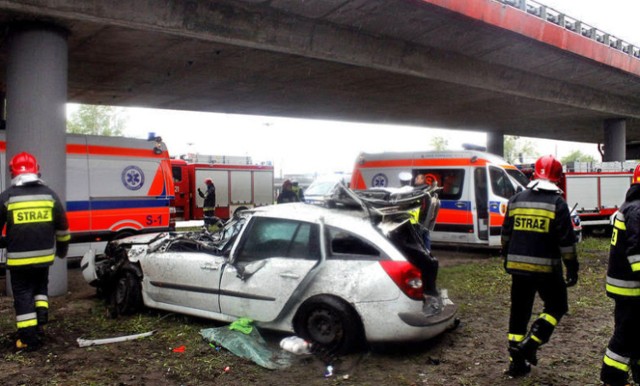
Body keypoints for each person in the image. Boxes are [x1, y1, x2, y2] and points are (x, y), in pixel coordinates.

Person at [501, 155, 578, 377]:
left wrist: (506, 258)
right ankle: (531, 344)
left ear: (534, 174)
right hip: (546, 270)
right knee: (557, 306)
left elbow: (506, 235)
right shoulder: (558, 204)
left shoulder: (516, 200)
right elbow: (567, 243)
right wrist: (572, 268)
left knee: (518, 313)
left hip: (517, 268)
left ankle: (516, 364)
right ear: (557, 178)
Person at [0, 152, 70, 352]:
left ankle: (29, 339)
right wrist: (62, 249)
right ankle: (40, 323)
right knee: (40, 290)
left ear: (13, 172)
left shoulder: (7, 197)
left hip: (18, 260)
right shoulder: (49, 195)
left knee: (23, 295)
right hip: (44, 258)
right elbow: (62, 226)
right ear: (37, 170)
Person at [600, 164, 640, 386]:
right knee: (625, 335)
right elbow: (637, 253)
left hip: (625, 286)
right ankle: (612, 377)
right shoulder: (637, 210)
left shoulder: (629, 207)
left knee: (633, 333)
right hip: (631, 287)